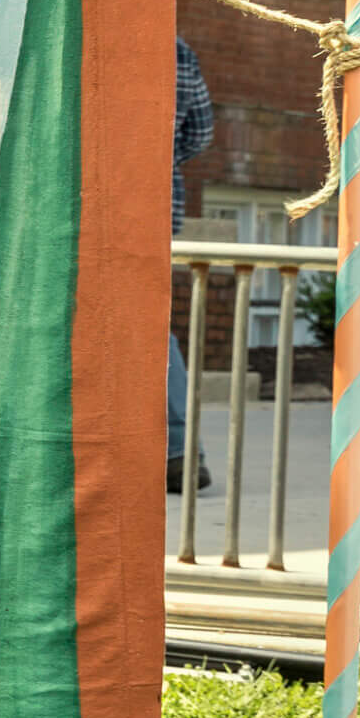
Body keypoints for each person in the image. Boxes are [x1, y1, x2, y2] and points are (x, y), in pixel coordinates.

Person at [171, 37, 214, 492]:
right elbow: (200, 133)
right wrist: (159, 161)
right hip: (156, 204)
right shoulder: (180, 49)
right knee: (150, 325)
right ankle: (180, 451)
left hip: (84, 202)